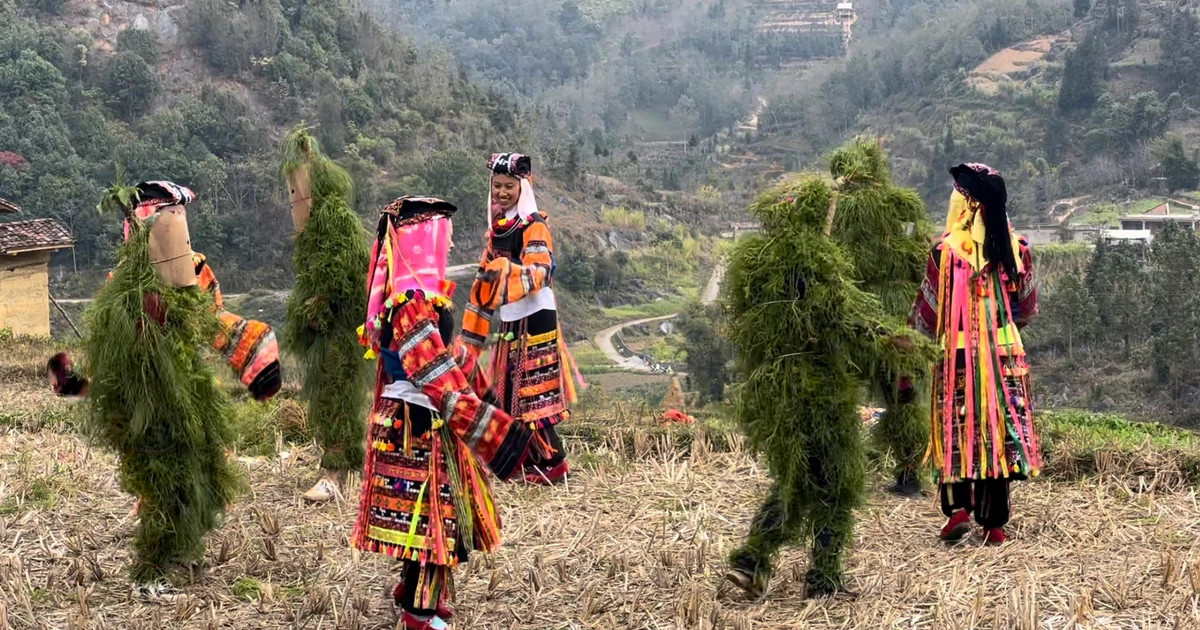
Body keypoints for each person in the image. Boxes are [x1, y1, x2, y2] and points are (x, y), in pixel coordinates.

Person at [723, 177, 930, 598]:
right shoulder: (815, 258)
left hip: (770, 389)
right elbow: (843, 323)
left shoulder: (755, 262)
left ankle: (753, 557)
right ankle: (823, 578)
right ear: (818, 213)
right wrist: (891, 343)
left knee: (794, 478)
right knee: (837, 481)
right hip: (818, 389)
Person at [354, 196, 532, 630]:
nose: (450, 245)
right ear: (423, 240)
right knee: (437, 517)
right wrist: (487, 425)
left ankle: (411, 589)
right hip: (417, 425)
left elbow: (446, 359)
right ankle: (419, 612)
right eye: (444, 237)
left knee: (419, 515)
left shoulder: (423, 298)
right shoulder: (411, 301)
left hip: (415, 420)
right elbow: (430, 368)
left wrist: (485, 390)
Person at [83, 179, 242, 593]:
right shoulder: (124, 283)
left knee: (198, 473)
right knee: (160, 480)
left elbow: (213, 320)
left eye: (176, 218)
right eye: (163, 218)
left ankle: (183, 545)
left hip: (191, 391)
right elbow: (111, 352)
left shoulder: (196, 268)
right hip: (146, 399)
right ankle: (149, 570)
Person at [907, 163, 1041, 545]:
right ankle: (994, 523)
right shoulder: (1017, 249)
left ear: (965, 204)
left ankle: (959, 510)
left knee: (958, 428)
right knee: (996, 433)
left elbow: (926, 313)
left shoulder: (945, 253)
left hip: (958, 357)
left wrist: (916, 344)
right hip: (1004, 355)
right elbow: (1028, 305)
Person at [458, 153, 582, 485]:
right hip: (512, 318)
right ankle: (530, 462)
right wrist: (471, 337)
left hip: (537, 315)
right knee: (510, 389)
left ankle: (553, 464)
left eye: (508, 186)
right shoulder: (495, 232)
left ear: (522, 187)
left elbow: (539, 271)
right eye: (496, 186)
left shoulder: (533, 224)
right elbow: (484, 281)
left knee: (532, 391)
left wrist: (506, 275)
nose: (501, 192)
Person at [281, 127, 371, 503]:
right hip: (328, 330)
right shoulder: (312, 232)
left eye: (296, 190)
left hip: (341, 330)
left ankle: (334, 472)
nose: (293, 200)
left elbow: (344, 271)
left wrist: (318, 304)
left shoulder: (334, 220)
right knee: (333, 395)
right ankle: (346, 464)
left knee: (336, 394)